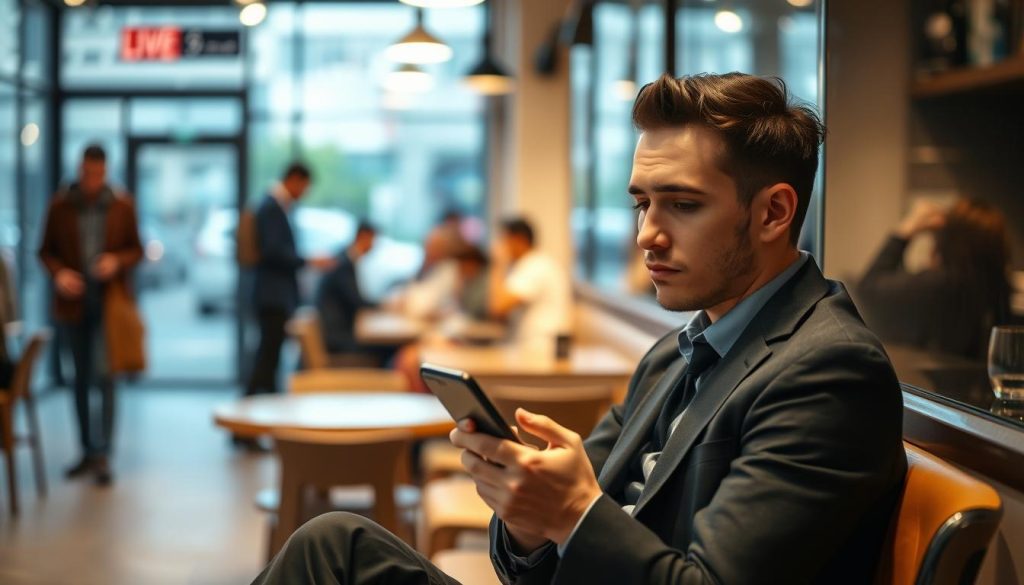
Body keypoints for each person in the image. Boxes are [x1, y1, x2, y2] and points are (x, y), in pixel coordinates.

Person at [250, 73, 907, 585]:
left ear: (773, 213)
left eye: (681, 204)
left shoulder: (829, 371)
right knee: (336, 541)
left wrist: (569, 511)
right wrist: (527, 511)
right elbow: (523, 566)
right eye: (641, 202)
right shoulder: (674, 356)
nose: (647, 233)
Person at [38, 144, 144, 486]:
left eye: (98, 174)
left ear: (106, 170)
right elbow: (45, 251)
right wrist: (59, 274)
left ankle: (103, 453)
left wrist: (116, 261)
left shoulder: (122, 205)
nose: (93, 180)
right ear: (79, 168)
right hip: (74, 303)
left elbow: (137, 249)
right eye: (87, 173)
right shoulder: (60, 205)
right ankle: (86, 449)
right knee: (80, 380)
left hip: (110, 304)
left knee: (107, 378)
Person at [857, 197, 1013, 361]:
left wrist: (908, 228)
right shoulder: (997, 288)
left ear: (950, 241)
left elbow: (869, 287)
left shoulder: (942, 285)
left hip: (932, 383)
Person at [488, 218, 573, 348]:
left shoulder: (535, 266)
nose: (500, 246)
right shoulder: (527, 265)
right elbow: (500, 315)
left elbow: (498, 307)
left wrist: (498, 263)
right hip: (531, 348)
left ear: (519, 240)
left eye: (503, 240)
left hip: (540, 349)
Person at [315, 222, 378, 356]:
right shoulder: (343, 264)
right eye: (373, 240)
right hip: (335, 338)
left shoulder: (344, 257)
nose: (373, 246)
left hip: (334, 332)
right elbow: (356, 301)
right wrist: (383, 305)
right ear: (363, 236)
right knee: (384, 351)